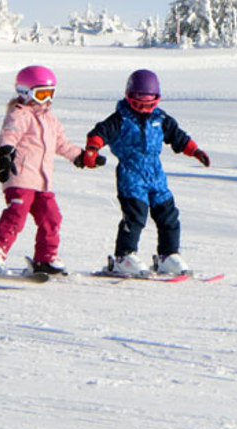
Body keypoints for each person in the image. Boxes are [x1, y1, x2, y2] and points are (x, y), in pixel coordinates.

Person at [80, 69, 211, 277]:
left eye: (148, 104)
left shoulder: (160, 118)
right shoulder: (120, 119)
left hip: (156, 174)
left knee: (168, 215)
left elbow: (178, 137)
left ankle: (167, 256)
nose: (143, 109)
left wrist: (195, 151)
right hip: (131, 174)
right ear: (128, 96)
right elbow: (99, 133)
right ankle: (124, 256)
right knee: (135, 215)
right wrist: (92, 149)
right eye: (138, 103)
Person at [0, 65, 96, 275]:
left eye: (50, 94)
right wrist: (5, 155)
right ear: (24, 92)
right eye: (41, 94)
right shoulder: (19, 115)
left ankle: (45, 259)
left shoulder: (51, 120)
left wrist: (80, 156)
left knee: (52, 217)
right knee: (16, 215)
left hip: (42, 182)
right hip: (20, 177)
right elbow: (8, 135)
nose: (46, 100)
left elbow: (61, 144)